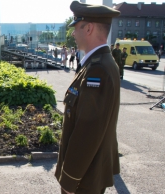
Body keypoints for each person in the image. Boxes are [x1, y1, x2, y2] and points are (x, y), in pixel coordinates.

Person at [55, 1, 121, 194]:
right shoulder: (99, 63)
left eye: (76, 27)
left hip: (83, 178)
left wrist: (69, 179)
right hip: (88, 173)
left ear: (89, 28)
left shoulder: (97, 70)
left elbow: (87, 132)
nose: (73, 34)